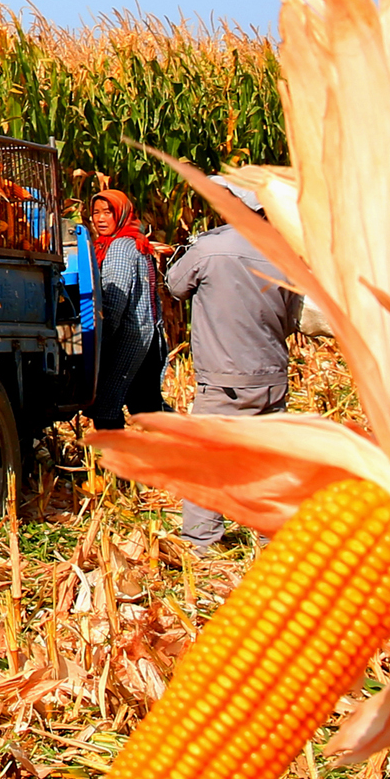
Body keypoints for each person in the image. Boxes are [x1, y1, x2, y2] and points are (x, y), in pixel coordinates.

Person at [165, 208, 304, 551]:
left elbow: (174, 285)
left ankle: (202, 541)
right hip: (271, 372)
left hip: (225, 376)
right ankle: (273, 538)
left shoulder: (210, 248)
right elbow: (295, 315)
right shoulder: (285, 253)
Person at [87, 186, 168, 431]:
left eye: (107, 212)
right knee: (147, 405)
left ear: (121, 214)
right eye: (96, 212)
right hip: (147, 337)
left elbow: (114, 300)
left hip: (129, 339)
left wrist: (100, 340)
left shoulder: (120, 247)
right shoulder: (134, 242)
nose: (100, 219)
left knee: (106, 407)